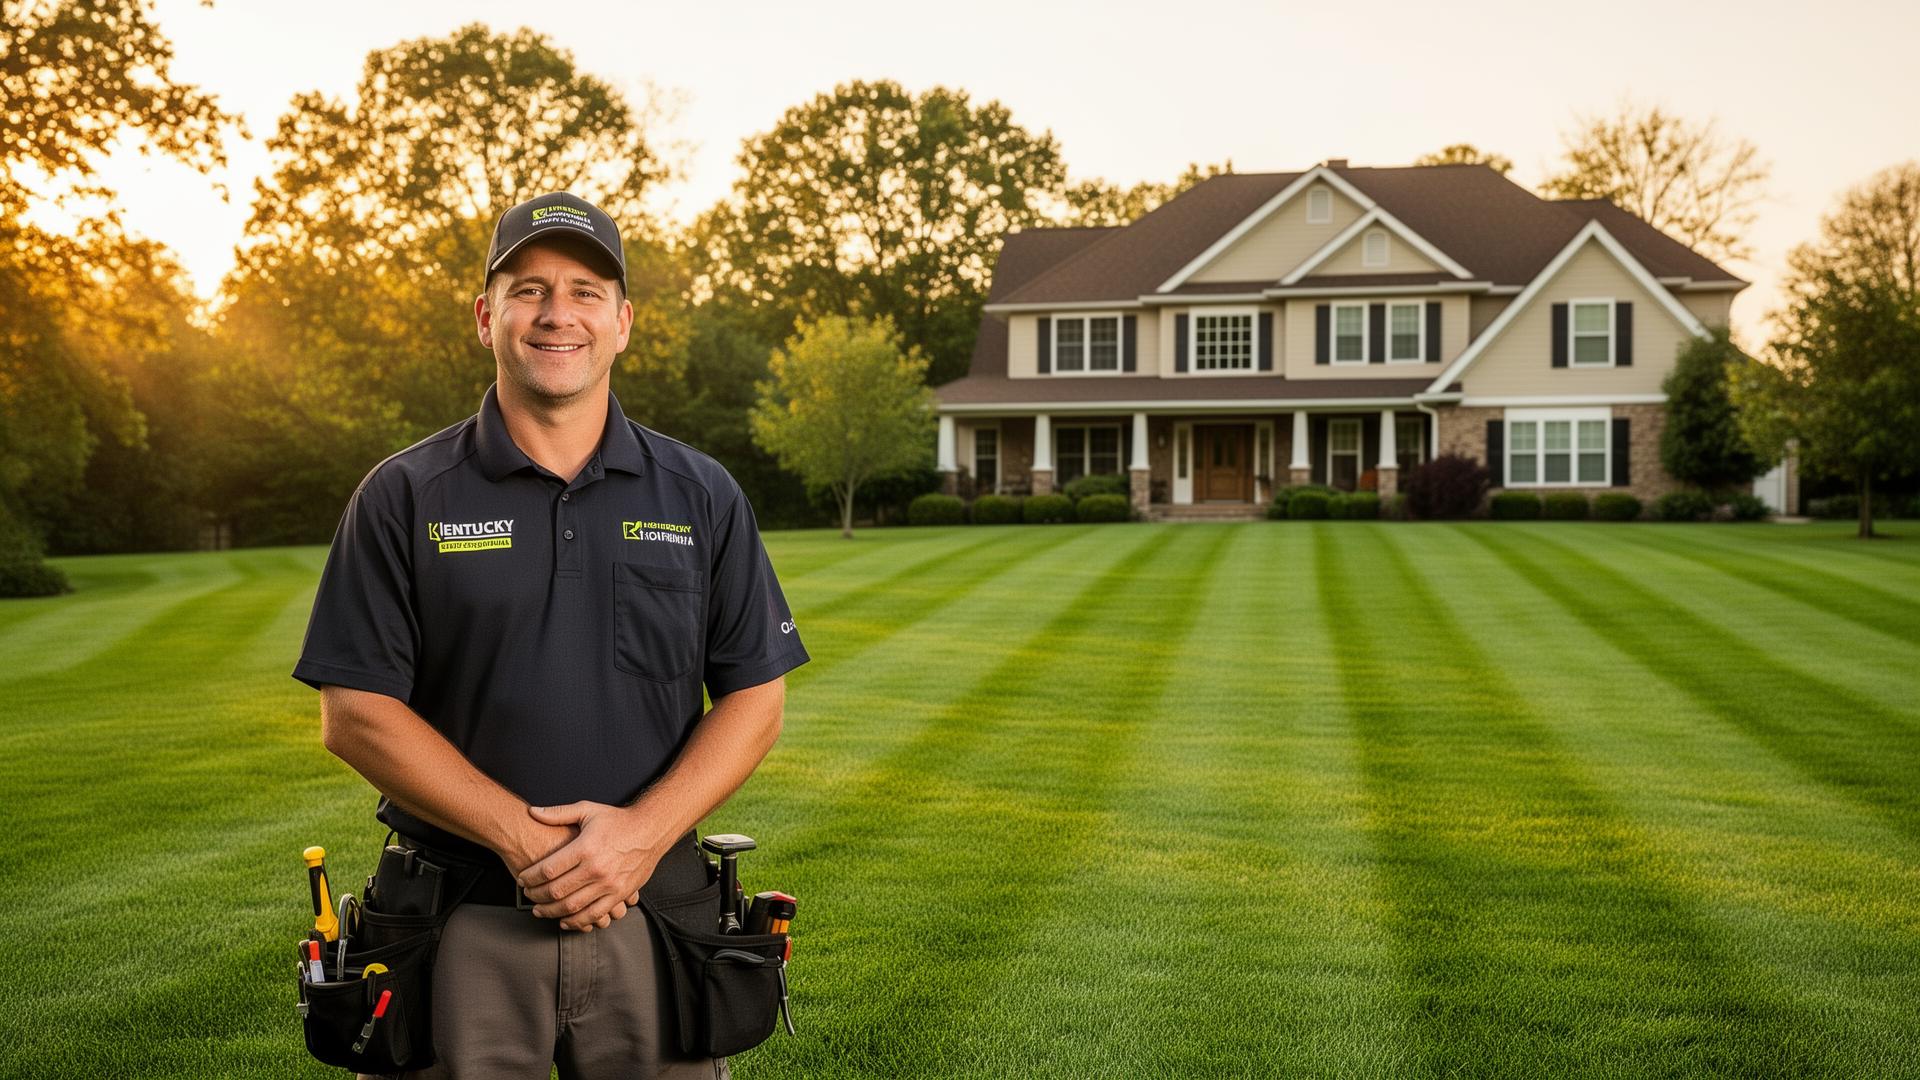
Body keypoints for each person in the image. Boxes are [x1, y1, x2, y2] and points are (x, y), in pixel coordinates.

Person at [293, 191, 809, 1079]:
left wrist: (641, 837)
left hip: (653, 917)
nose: (557, 313)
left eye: (584, 290)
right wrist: (524, 841)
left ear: (623, 322)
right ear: (487, 316)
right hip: (463, 928)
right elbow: (356, 712)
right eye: (529, 290)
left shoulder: (700, 494)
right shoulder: (405, 495)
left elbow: (756, 698)